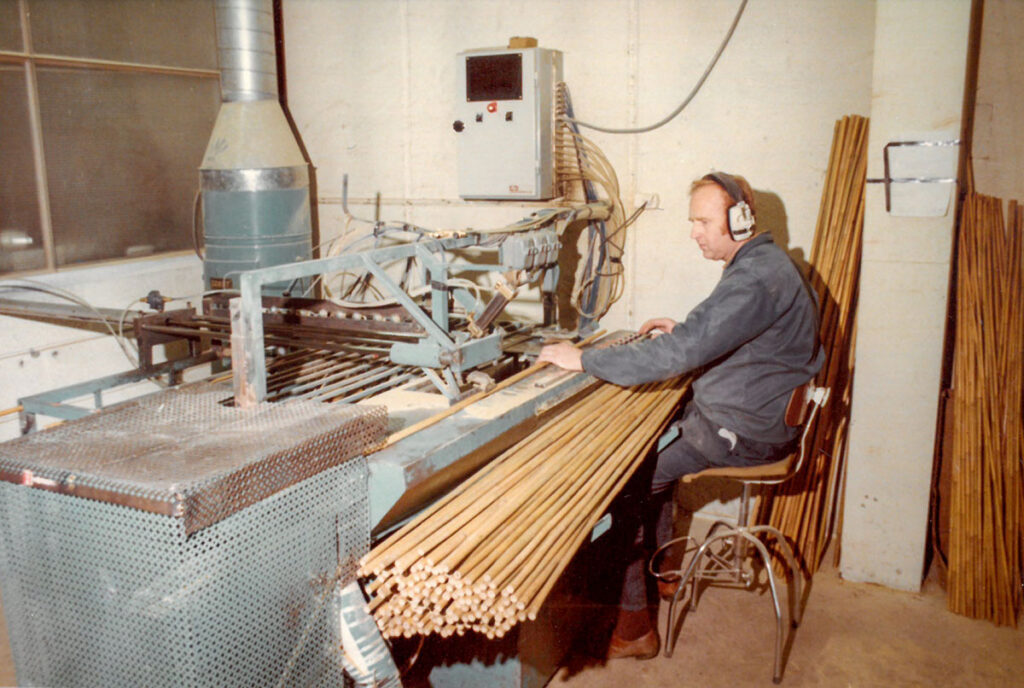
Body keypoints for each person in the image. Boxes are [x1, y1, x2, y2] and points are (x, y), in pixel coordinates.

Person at [538, 172, 824, 659]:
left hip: (744, 431)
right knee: (654, 448)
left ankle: (633, 629)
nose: (694, 231)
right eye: (693, 220)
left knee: (623, 480)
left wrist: (583, 359)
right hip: (762, 415)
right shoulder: (764, 264)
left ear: (741, 219)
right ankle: (665, 574)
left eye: (703, 221)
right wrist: (684, 331)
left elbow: (683, 354)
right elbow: (723, 332)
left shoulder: (754, 277)